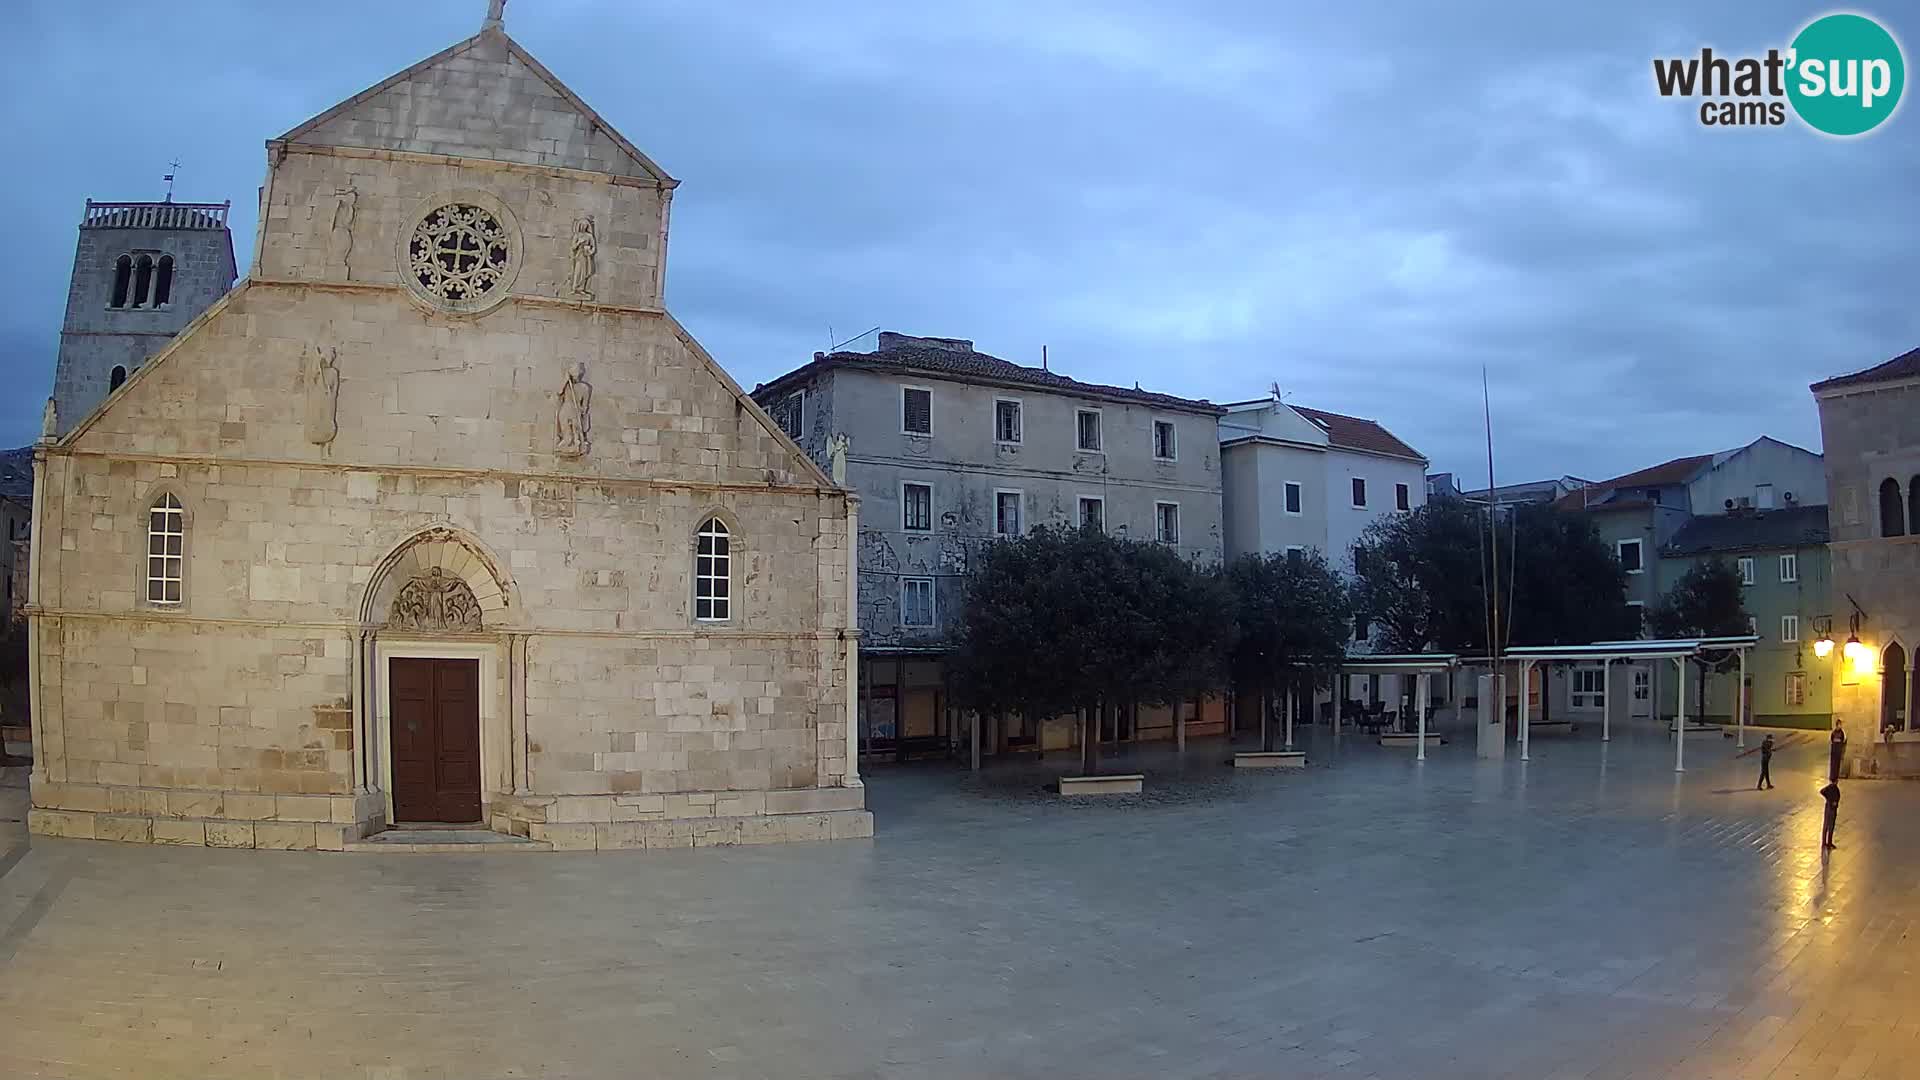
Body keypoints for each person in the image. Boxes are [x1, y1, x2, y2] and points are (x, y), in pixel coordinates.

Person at [1820, 781, 1841, 850]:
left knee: (1826, 825)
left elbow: (1822, 791)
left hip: (1828, 807)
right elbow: (1837, 798)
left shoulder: (1829, 787)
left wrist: (1828, 799)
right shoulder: (1835, 789)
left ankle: (1824, 842)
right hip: (1832, 809)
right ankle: (1829, 843)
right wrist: (1833, 802)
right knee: (1830, 826)